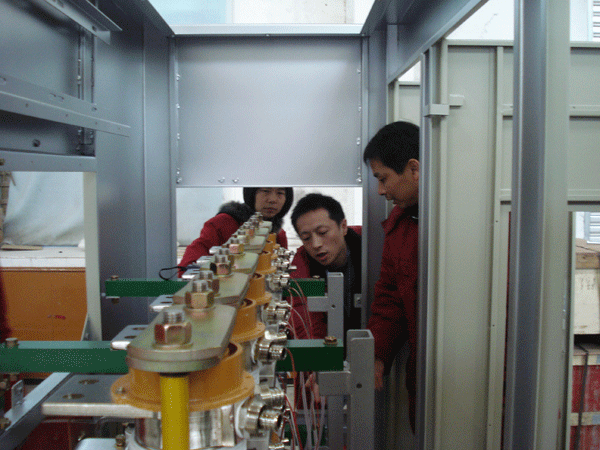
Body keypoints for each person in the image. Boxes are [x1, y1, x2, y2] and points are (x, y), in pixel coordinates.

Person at [363, 121, 419, 432]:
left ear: (414, 169)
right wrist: (377, 354)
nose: (381, 191)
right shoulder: (400, 225)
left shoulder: (468, 218)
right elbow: (390, 298)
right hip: (422, 377)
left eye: (383, 179)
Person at [288, 193, 362, 341]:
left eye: (322, 232)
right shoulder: (301, 268)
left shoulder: (373, 247)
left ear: (343, 226)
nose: (316, 244)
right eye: (306, 238)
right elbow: (305, 322)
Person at [179, 187, 293, 275]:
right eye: (265, 191)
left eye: (280, 193)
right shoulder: (222, 223)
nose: (273, 200)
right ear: (251, 194)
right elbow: (186, 268)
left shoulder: (279, 235)